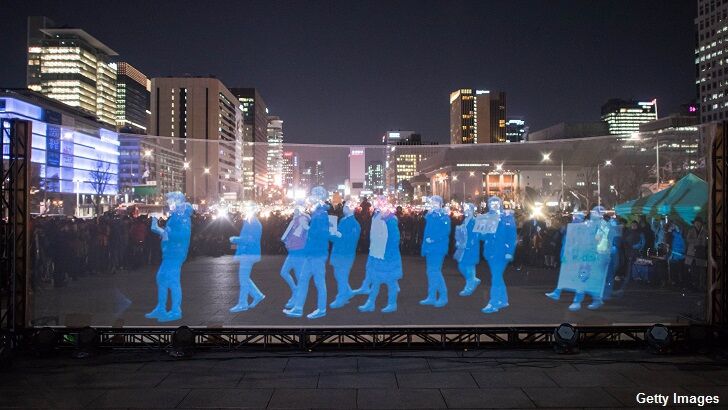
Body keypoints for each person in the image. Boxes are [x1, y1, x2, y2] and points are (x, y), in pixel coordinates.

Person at [284, 186, 331, 319]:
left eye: (313, 195)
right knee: (304, 280)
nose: (311, 197)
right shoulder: (317, 212)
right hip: (312, 253)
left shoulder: (321, 214)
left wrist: (309, 231)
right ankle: (298, 308)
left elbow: (321, 233)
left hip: (317, 254)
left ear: (318, 197)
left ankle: (321, 309)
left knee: (319, 282)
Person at [145, 192, 193, 323]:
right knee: (161, 278)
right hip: (169, 252)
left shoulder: (182, 217)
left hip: (176, 253)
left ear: (177, 202)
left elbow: (182, 235)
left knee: (172, 281)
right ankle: (161, 308)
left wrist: (166, 232)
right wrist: (156, 227)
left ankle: (176, 310)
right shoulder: (176, 217)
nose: (169, 203)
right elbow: (169, 233)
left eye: (171, 201)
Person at [359, 197, 402, 313]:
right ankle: (370, 303)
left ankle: (392, 303)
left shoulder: (390, 219)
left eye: (381, 204)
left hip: (388, 255)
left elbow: (395, 238)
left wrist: (386, 250)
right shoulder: (376, 216)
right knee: (376, 279)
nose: (379, 207)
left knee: (391, 281)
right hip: (378, 253)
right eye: (377, 204)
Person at [481, 196, 517, 313]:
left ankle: (493, 303)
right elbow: (483, 236)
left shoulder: (507, 217)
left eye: (496, 203)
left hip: (502, 252)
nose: (494, 205)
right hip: (491, 252)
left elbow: (511, 237)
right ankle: (504, 300)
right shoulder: (487, 217)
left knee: (496, 276)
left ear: (500, 205)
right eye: (491, 204)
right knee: (497, 276)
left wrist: (509, 252)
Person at [229, 203, 265, 312]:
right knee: (244, 278)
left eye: (249, 209)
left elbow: (249, 239)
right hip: (248, 253)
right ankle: (257, 295)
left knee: (243, 279)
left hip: (249, 253)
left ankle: (242, 303)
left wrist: (235, 239)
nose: (246, 210)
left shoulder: (253, 223)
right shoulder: (251, 222)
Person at [329, 200, 361, 308]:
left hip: (345, 254)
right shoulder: (343, 220)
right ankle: (347, 293)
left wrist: (338, 235)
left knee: (342, 275)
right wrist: (331, 234)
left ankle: (341, 297)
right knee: (339, 275)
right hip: (338, 252)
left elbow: (351, 240)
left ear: (350, 208)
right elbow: (336, 237)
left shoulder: (354, 224)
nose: (343, 208)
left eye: (345, 206)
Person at [419, 195, 450, 308]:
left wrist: (433, 240)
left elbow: (445, 233)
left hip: (438, 248)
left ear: (440, 204)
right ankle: (432, 296)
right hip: (430, 248)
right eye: (432, 203)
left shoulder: (444, 217)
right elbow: (426, 232)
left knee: (435, 271)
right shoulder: (430, 216)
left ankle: (443, 296)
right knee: (430, 272)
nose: (433, 205)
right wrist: (425, 246)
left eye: (436, 203)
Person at [280, 199, 309, 309]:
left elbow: (305, 230)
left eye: (298, 206)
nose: (295, 208)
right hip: (292, 251)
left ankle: (297, 300)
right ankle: (296, 292)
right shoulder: (295, 219)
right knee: (284, 272)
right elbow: (288, 235)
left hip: (298, 251)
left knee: (299, 276)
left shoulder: (303, 218)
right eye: (295, 206)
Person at [454, 202, 481, 296]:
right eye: (465, 209)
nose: (466, 211)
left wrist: (471, 242)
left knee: (470, 268)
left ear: (472, 210)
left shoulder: (474, 221)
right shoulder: (465, 221)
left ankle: (469, 288)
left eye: (468, 209)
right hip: (464, 248)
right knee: (461, 266)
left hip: (471, 247)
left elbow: (477, 234)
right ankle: (473, 280)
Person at [685, 217, 708, 290]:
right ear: (694, 224)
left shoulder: (705, 231)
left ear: (701, 224)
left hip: (701, 253)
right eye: (696, 223)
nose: (697, 224)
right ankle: (695, 285)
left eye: (699, 223)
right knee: (694, 270)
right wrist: (697, 241)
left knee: (702, 271)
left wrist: (703, 242)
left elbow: (707, 241)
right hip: (692, 253)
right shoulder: (691, 230)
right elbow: (688, 239)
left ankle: (702, 285)